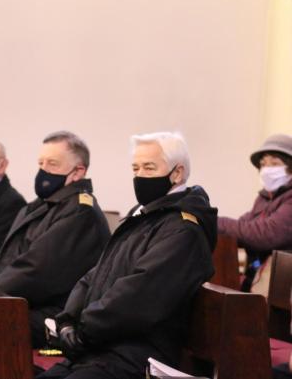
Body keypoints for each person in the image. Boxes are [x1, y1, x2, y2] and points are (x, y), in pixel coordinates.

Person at [38, 132, 216, 379]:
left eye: (149, 168)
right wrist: (67, 320)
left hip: (137, 354)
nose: (140, 176)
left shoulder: (183, 230)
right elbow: (96, 274)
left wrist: (84, 331)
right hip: (103, 346)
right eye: (135, 168)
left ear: (177, 173)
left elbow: (140, 296)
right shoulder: (143, 216)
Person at [0, 131, 110, 348]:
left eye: (52, 164)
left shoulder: (80, 213)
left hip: (53, 314)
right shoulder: (38, 206)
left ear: (78, 171)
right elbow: (1, 257)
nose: (43, 170)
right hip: (16, 301)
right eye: (41, 163)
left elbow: (36, 270)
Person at [218, 134, 292, 291]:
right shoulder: (263, 198)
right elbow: (243, 226)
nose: (267, 169)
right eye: (263, 164)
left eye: (274, 163)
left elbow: (267, 234)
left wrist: (214, 221)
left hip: (282, 286)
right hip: (257, 275)